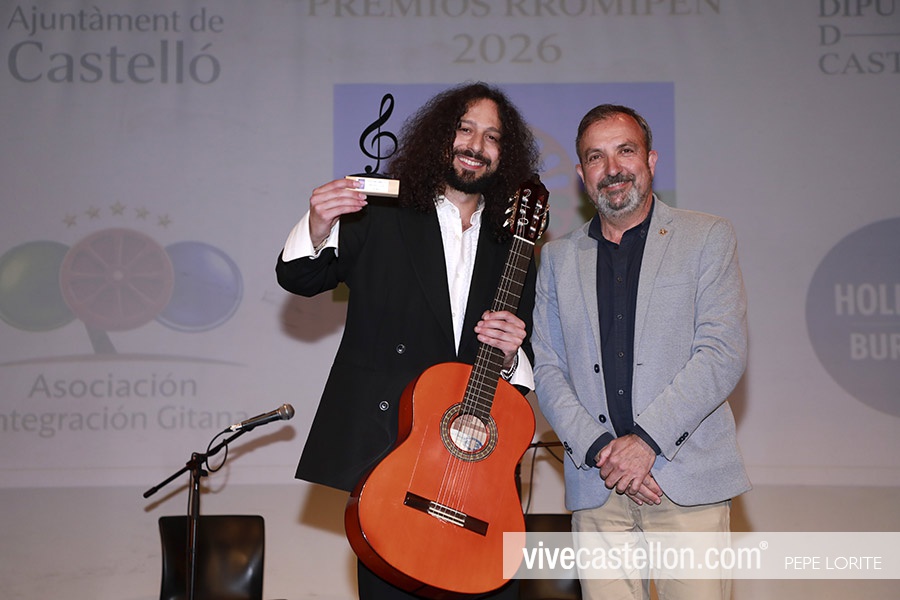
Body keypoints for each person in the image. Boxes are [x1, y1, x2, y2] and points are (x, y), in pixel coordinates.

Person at [276, 82, 541, 599]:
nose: (476, 145)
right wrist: (318, 223)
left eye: (492, 137)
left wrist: (511, 356)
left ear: (504, 155)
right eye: (464, 129)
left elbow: (520, 362)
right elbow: (301, 277)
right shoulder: (382, 212)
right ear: (439, 136)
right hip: (393, 463)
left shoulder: (513, 241)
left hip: (476, 474)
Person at [531, 104, 751, 600]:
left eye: (625, 151)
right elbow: (548, 368)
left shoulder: (706, 237)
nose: (612, 169)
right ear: (582, 174)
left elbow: (721, 352)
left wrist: (645, 442)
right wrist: (601, 451)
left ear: (651, 160)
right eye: (596, 157)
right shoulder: (557, 259)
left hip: (687, 483)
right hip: (597, 486)